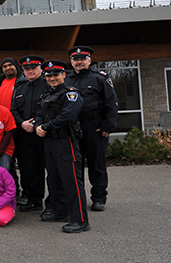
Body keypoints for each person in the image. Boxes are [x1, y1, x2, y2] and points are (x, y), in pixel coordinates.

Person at [34, 60, 89, 233]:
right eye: (49, 75)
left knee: (71, 180)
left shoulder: (70, 94)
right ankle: (60, 211)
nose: (52, 78)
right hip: (49, 142)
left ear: (64, 75)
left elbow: (68, 115)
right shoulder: (46, 95)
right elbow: (39, 113)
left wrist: (45, 127)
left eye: (56, 74)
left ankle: (80, 220)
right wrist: (38, 125)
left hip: (65, 142)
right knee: (54, 179)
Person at [65, 46, 118, 212]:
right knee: (75, 165)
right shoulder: (66, 79)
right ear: (71, 62)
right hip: (73, 128)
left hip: (94, 127)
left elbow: (112, 103)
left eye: (82, 59)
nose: (79, 62)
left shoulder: (100, 78)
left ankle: (99, 198)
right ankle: (78, 199)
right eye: (75, 59)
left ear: (89, 60)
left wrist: (107, 126)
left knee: (97, 164)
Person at [11, 55, 50, 212]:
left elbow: (52, 108)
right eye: (27, 69)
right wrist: (22, 123)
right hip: (26, 134)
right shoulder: (20, 87)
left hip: (45, 134)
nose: (30, 71)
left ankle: (54, 203)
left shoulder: (48, 84)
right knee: (30, 169)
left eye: (33, 68)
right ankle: (34, 200)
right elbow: (14, 110)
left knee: (52, 170)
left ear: (40, 68)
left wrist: (38, 124)